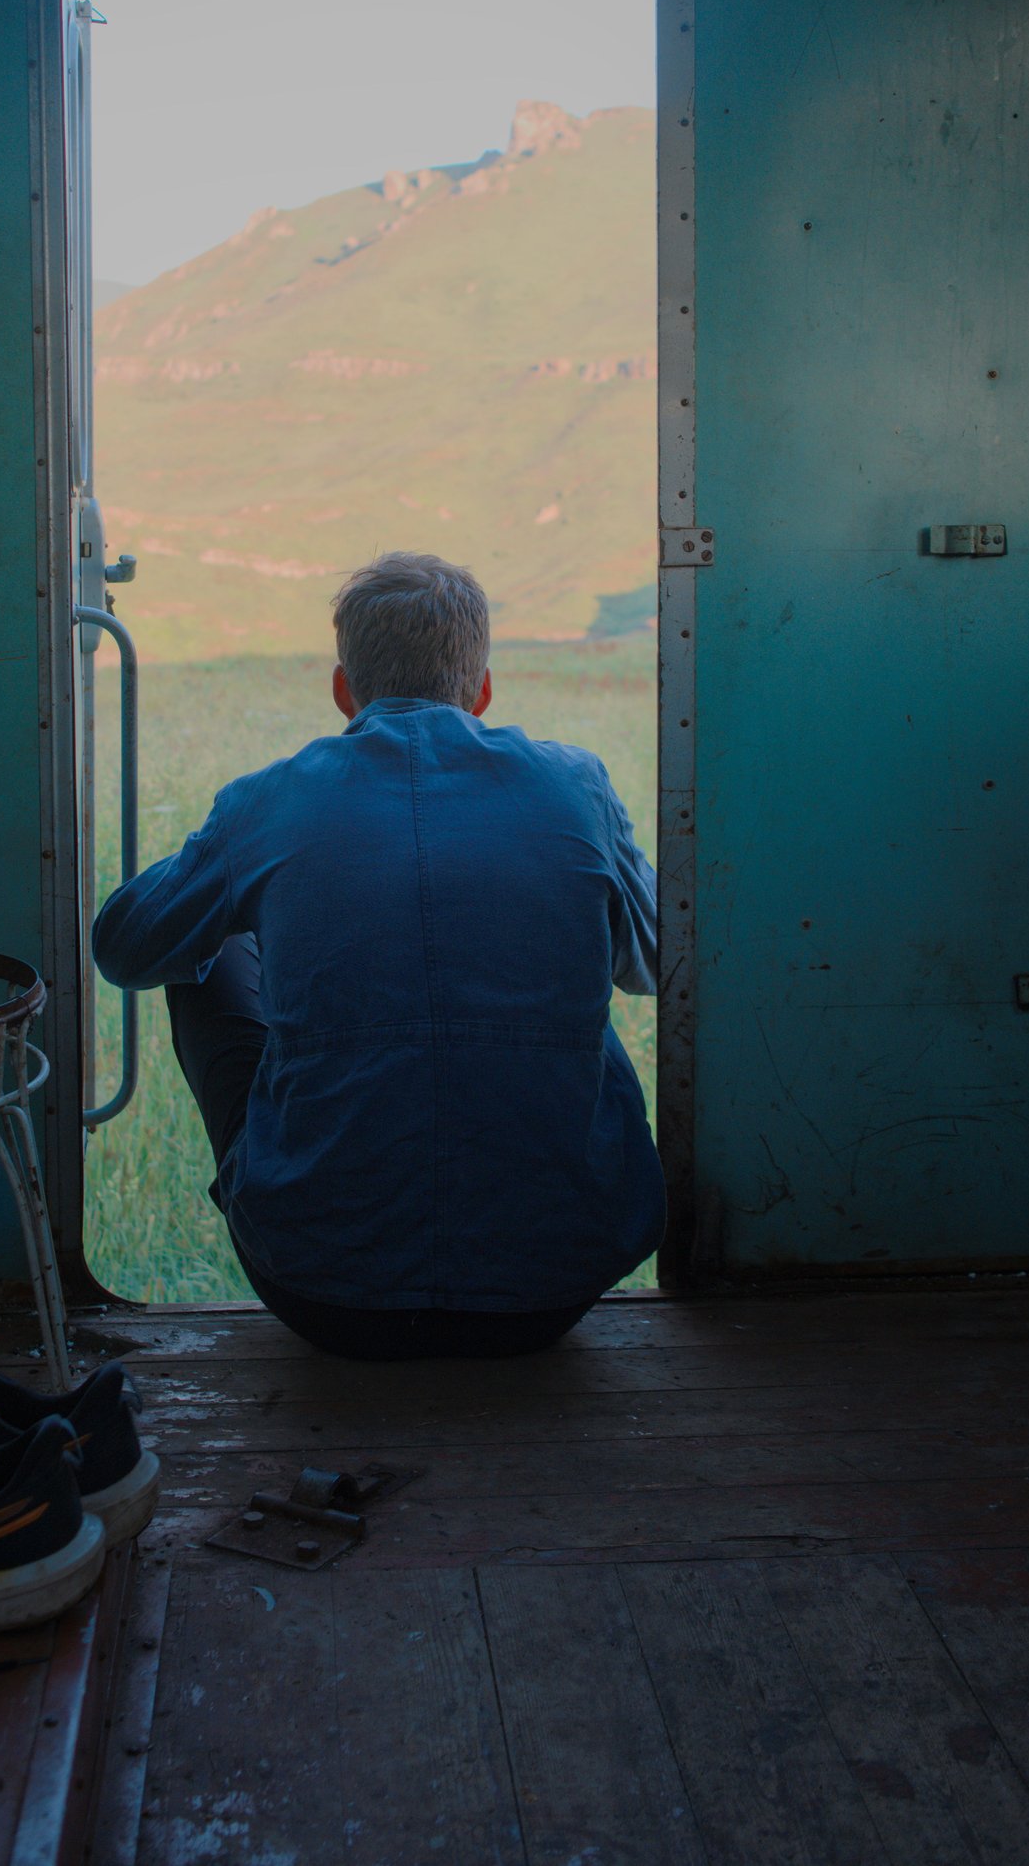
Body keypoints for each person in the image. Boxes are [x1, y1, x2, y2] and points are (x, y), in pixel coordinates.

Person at [92, 551, 665, 1361]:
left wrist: (244, 888)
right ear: (483, 690)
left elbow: (123, 947)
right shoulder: (578, 785)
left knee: (211, 954)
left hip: (323, 1286)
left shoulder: (272, 797)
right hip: (553, 1287)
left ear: (342, 689)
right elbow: (653, 960)